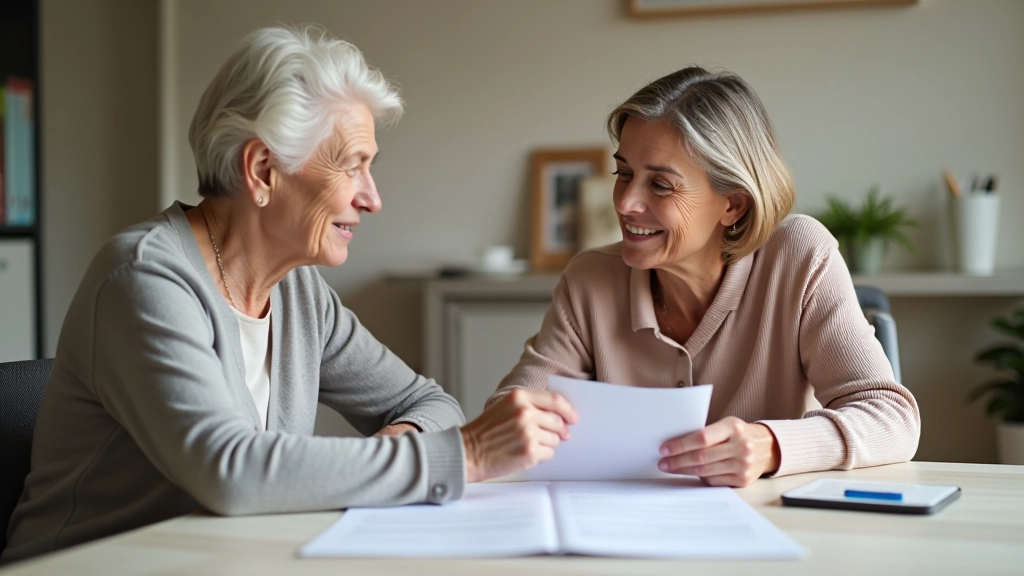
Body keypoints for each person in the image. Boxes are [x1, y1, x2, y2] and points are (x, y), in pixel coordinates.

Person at [1, 26, 576, 564]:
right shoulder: (144, 279)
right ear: (262, 169)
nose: (372, 198)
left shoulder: (299, 292)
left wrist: (403, 449)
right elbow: (232, 473)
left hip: (224, 562)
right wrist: (464, 456)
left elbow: (428, 404)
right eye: (353, 167)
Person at [487, 66, 920, 488]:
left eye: (660, 185)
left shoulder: (799, 255)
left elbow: (891, 418)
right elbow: (508, 416)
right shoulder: (591, 279)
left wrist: (770, 444)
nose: (625, 203)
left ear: (733, 204)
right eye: (624, 174)